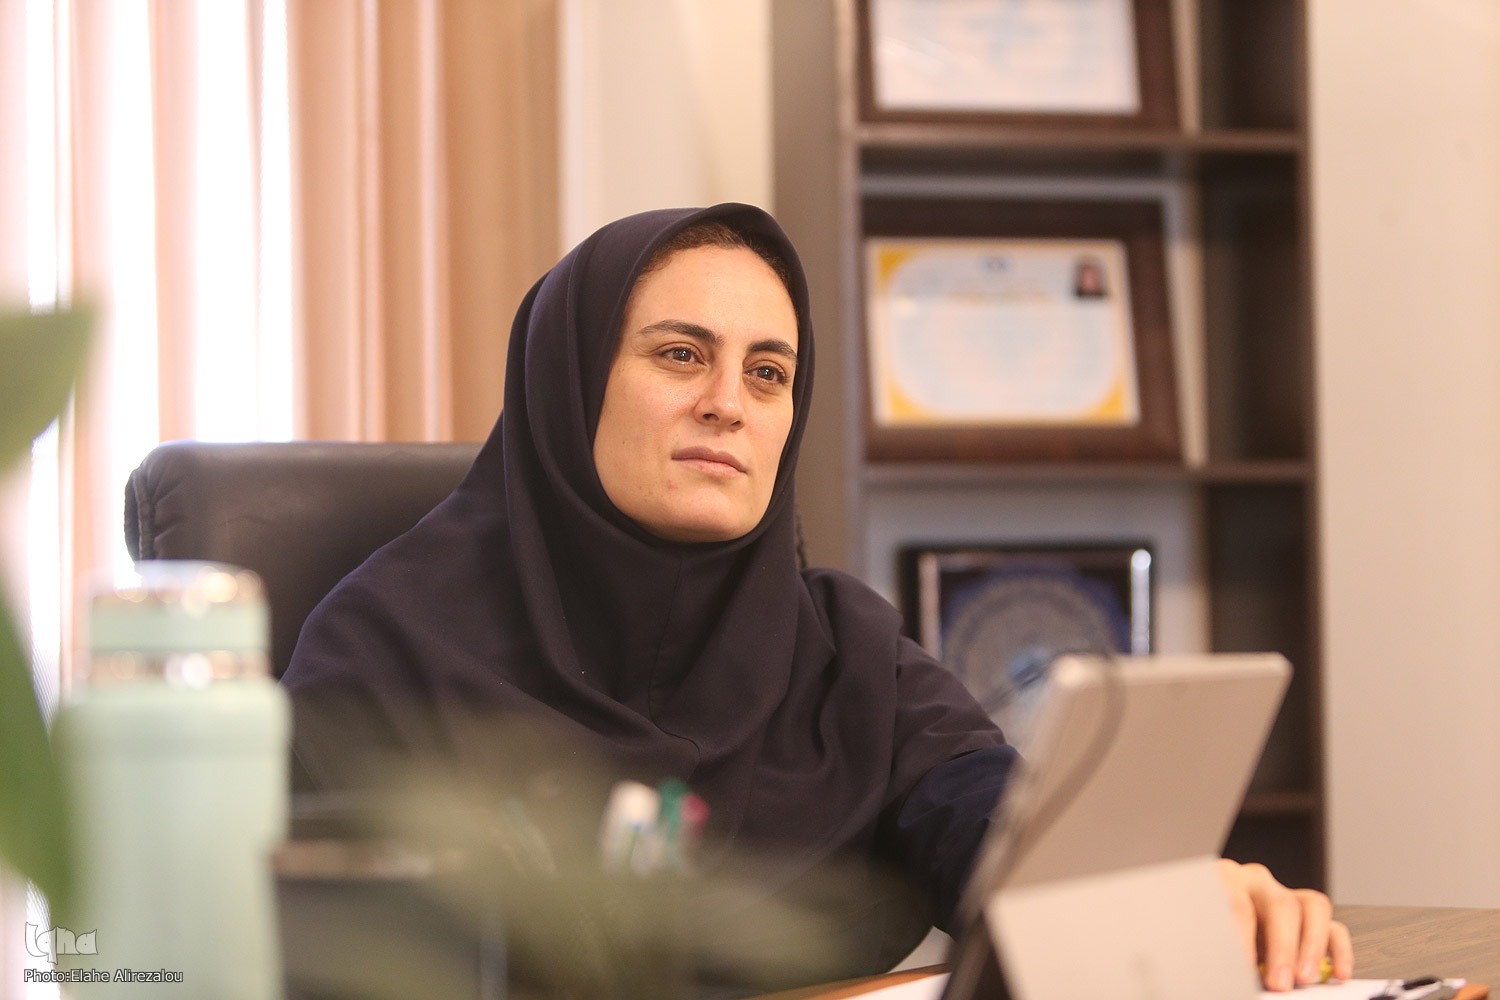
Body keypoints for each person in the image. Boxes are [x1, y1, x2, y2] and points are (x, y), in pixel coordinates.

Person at [281, 203, 1352, 992]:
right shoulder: (384, 649)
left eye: (767, 372)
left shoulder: (837, 642)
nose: (727, 404)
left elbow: (982, 813)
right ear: (569, 384)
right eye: (681, 354)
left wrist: (1152, 887)